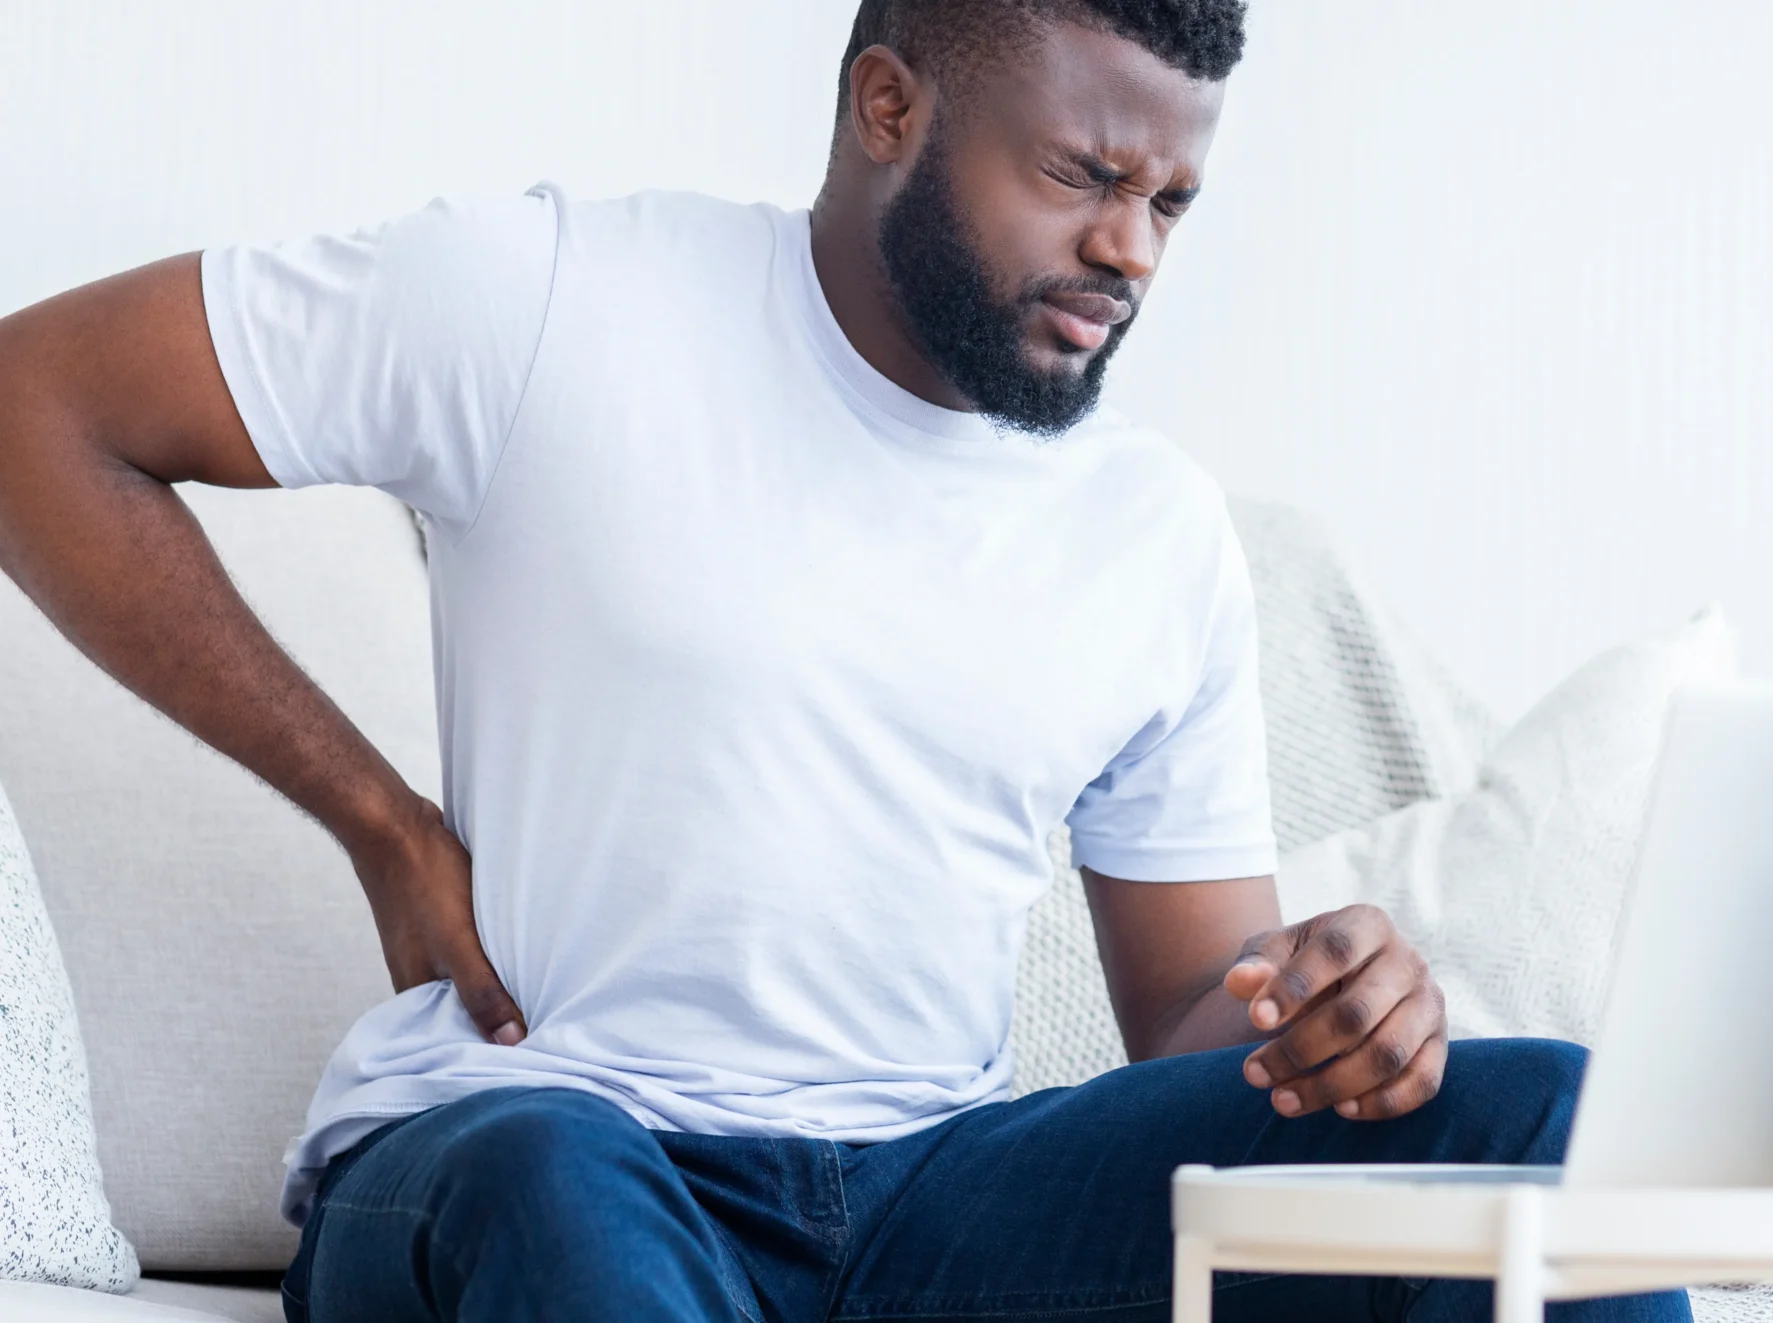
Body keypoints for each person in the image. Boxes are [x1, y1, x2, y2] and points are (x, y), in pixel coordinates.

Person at [0, 2, 1687, 1320]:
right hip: (528, 1149)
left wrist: (1323, 1016)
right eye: (1084, 177)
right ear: (891, 107)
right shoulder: (550, 298)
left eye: (1171, 199)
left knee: (1539, 1121)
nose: (1134, 251)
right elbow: (35, 408)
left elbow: (1193, 1014)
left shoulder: (1152, 532)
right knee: (556, 1173)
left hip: (918, 1203)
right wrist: (376, 814)